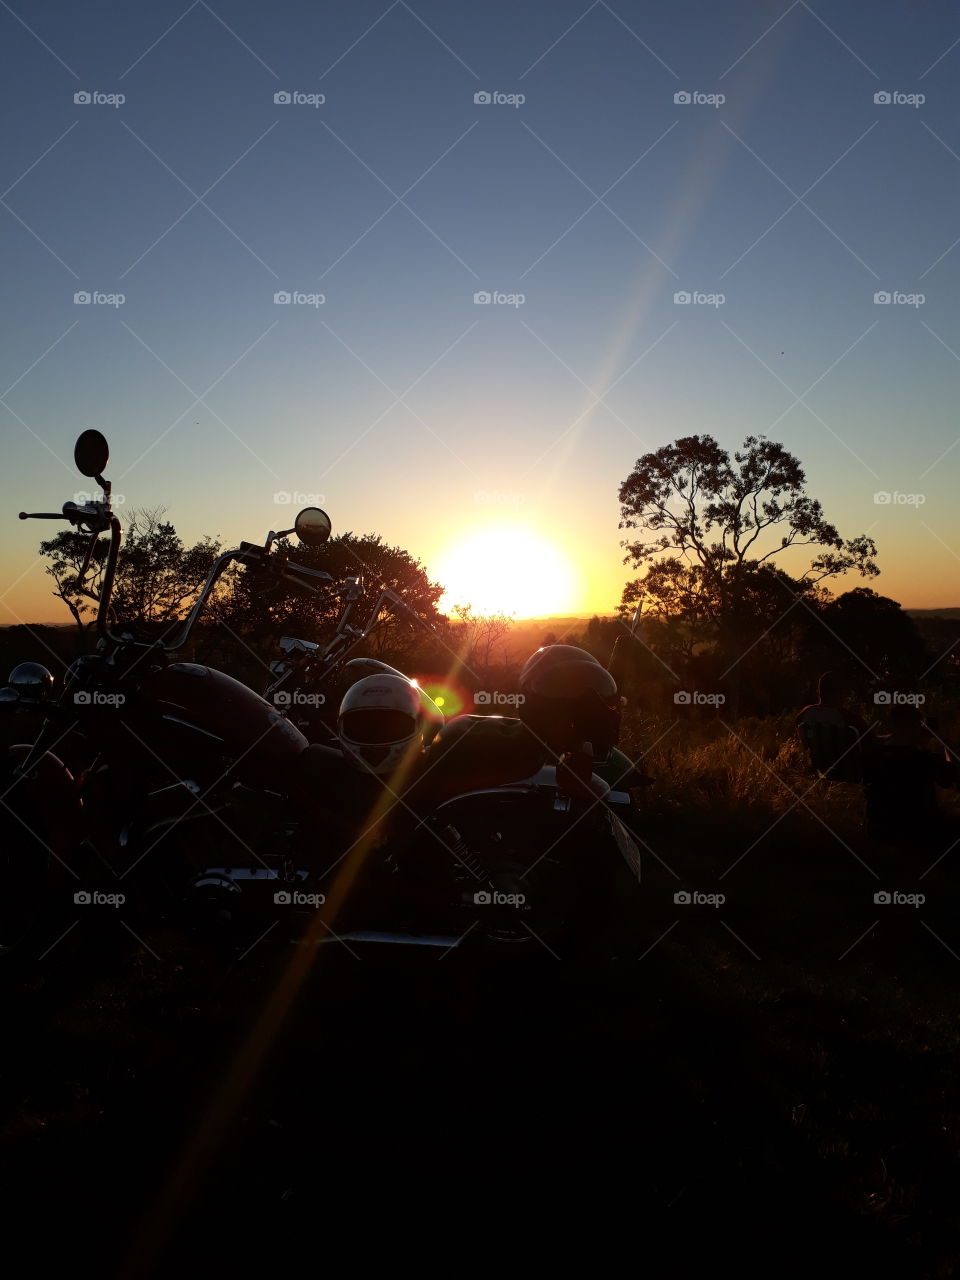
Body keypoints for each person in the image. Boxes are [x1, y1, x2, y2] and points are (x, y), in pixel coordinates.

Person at [861, 704, 958, 846]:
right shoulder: (926, 760)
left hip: (879, 830)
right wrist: (946, 742)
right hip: (919, 832)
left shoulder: (873, 756)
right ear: (917, 729)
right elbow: (950, 778)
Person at [795, 670, 869, 781]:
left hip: (820, 775)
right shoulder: (850, 718)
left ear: (819, 692)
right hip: (850, 776)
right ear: (839, 693)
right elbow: (869, 744)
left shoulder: (804, 714)